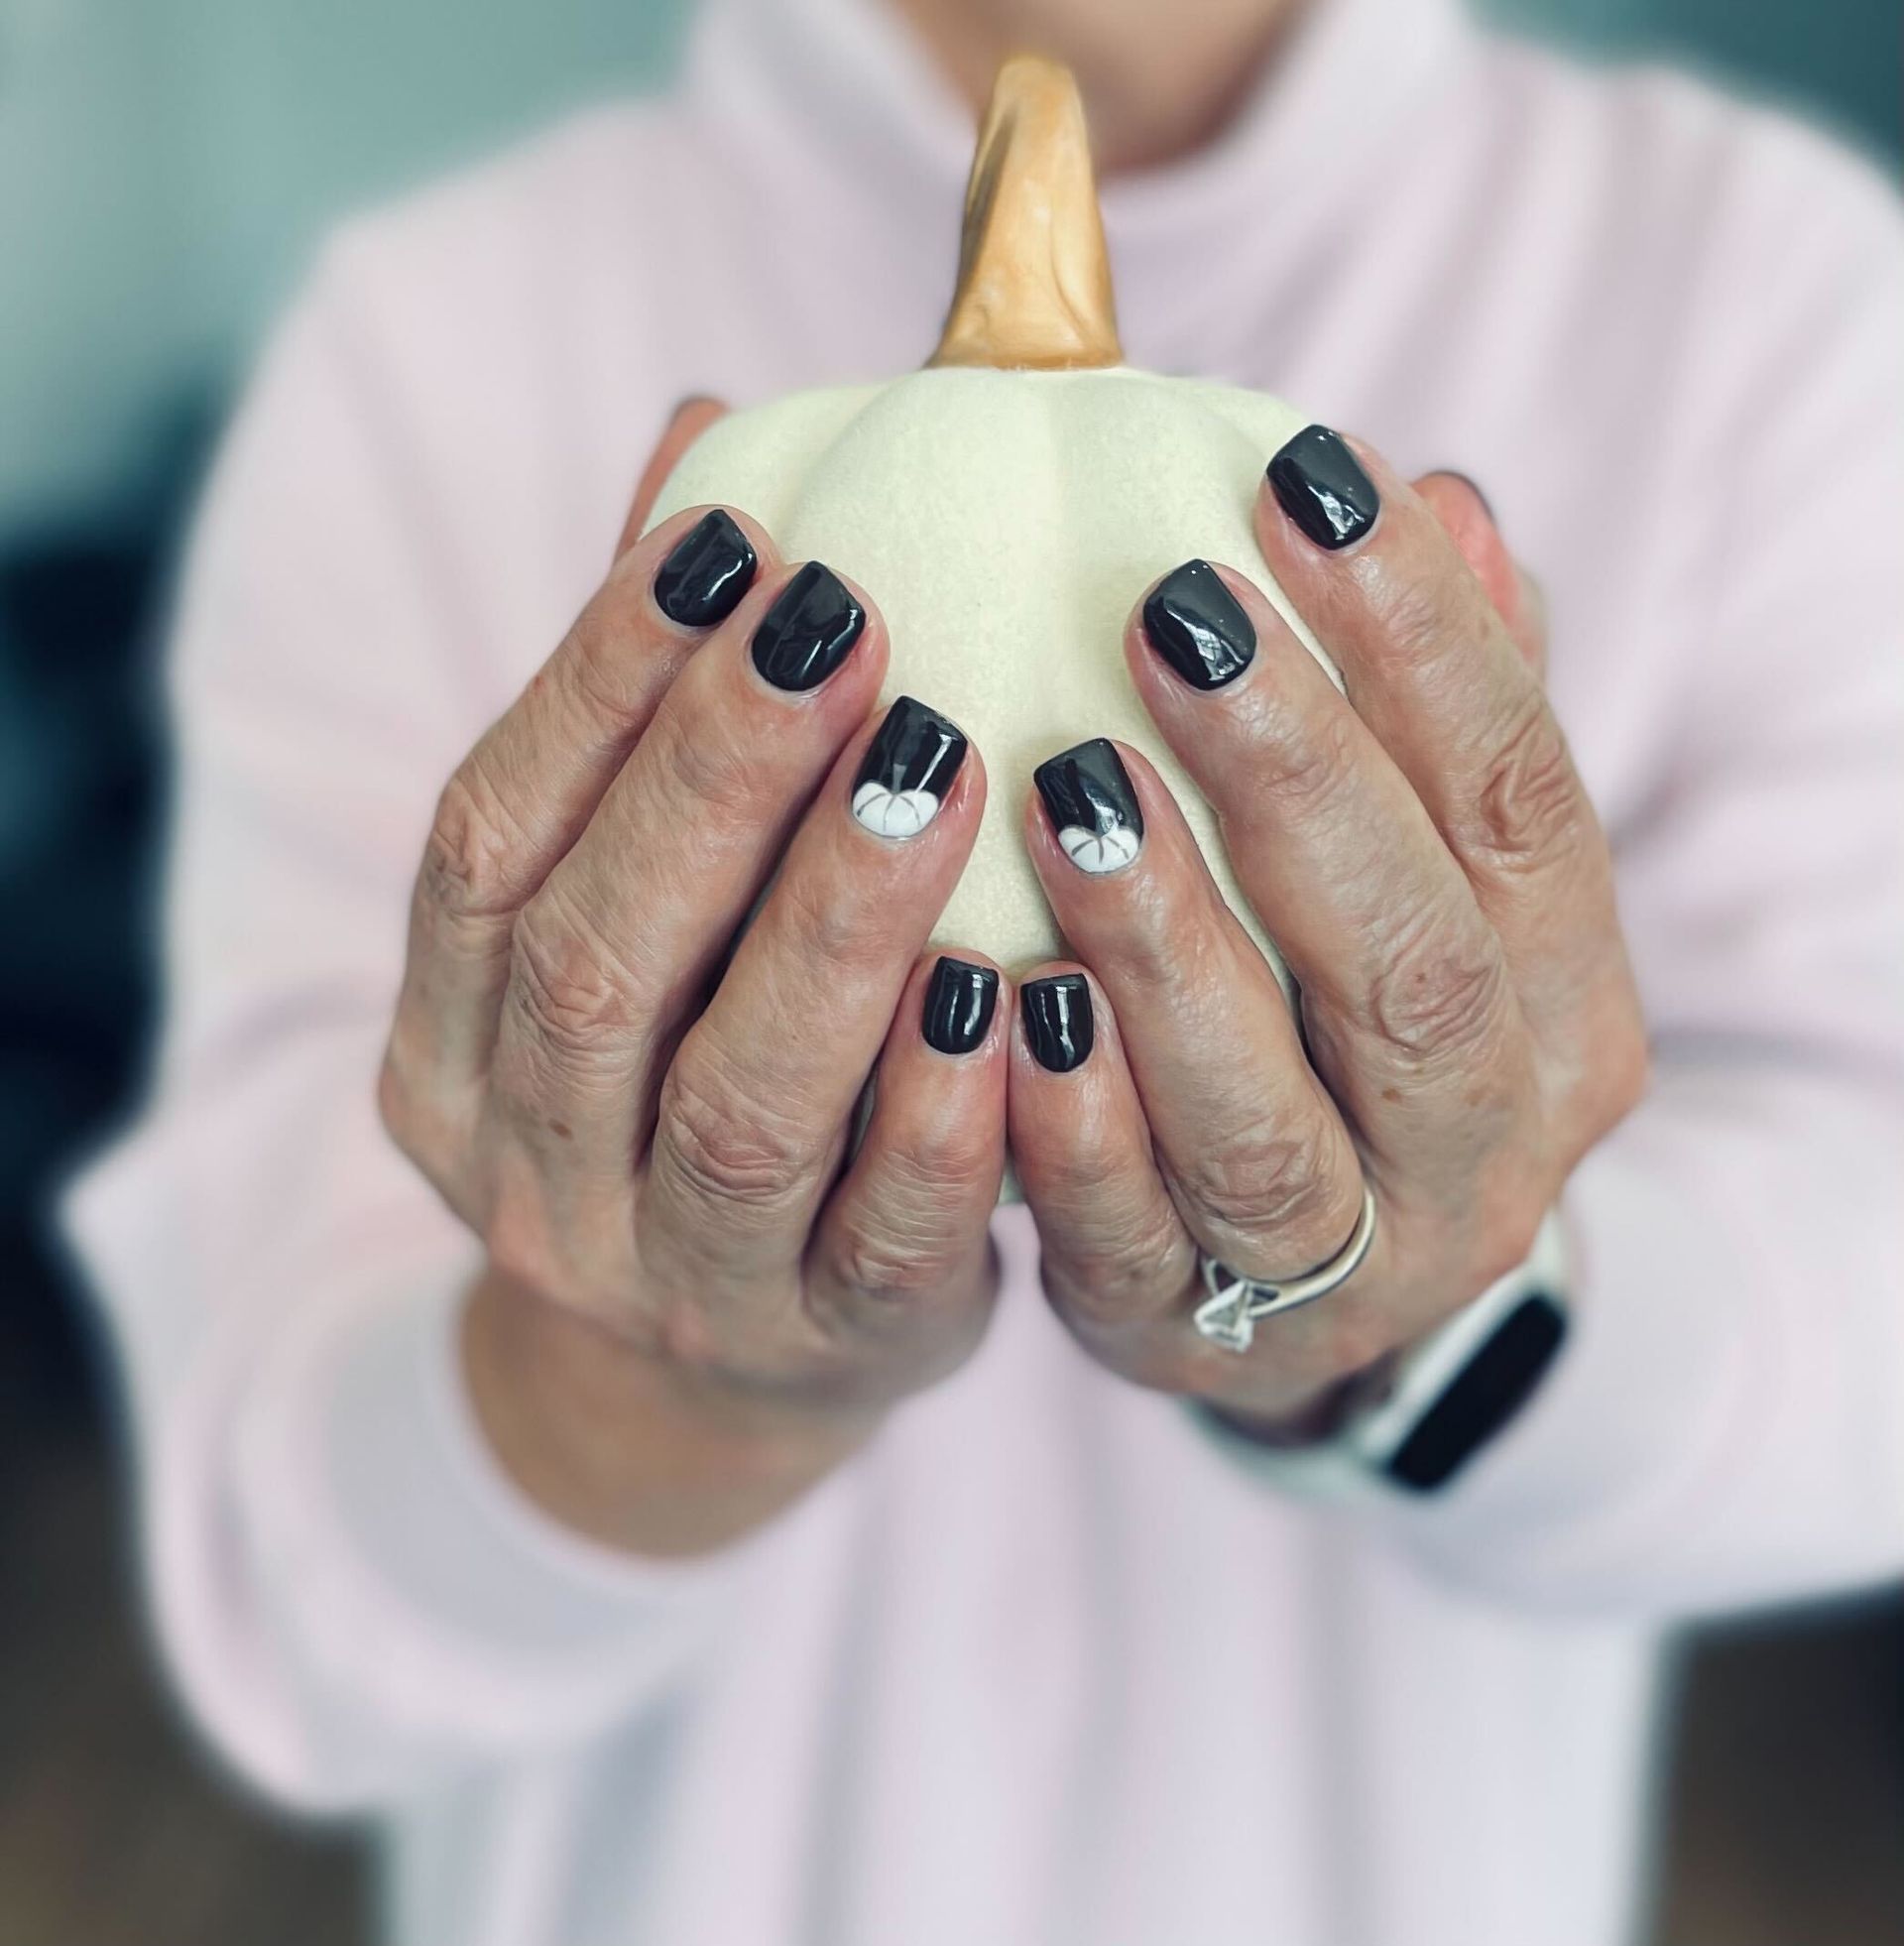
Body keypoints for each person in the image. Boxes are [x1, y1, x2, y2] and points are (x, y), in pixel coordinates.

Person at [63, 0, 1904, 1939]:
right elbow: (285, 1599)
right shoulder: (417, 341)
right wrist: (665, 1396)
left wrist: (1432, 1331)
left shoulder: (1764, 284)